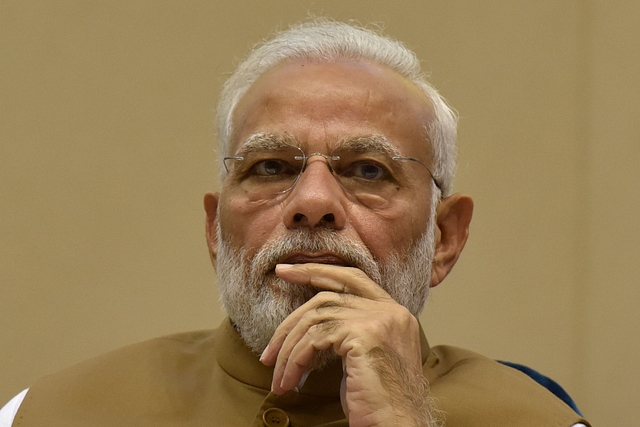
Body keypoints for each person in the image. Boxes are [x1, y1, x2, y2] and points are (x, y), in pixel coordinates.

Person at [0, 19, 591, 427]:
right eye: (271, 166)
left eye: (366, 169)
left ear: (444, 239)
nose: (312, 201)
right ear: (215, 230)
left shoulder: (539, 419)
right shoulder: (47, 414)